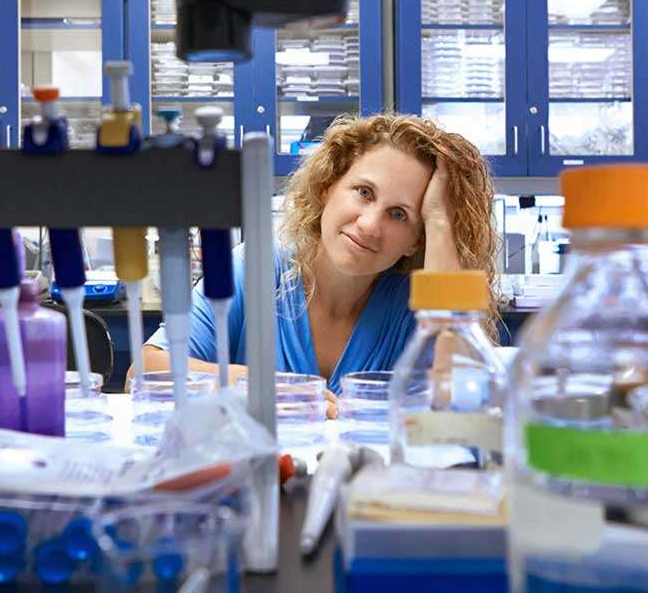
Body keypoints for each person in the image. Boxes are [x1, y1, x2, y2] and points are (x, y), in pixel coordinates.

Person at [138, 112, 501, 415]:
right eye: (364, 192)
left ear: (415, 242)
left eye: (399, 214)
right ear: (328, 185)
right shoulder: (257, 268)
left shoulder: (416, 302)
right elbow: (146, 371)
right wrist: (259, 388)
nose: (370, 225)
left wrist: (439, 220)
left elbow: (465, 403)